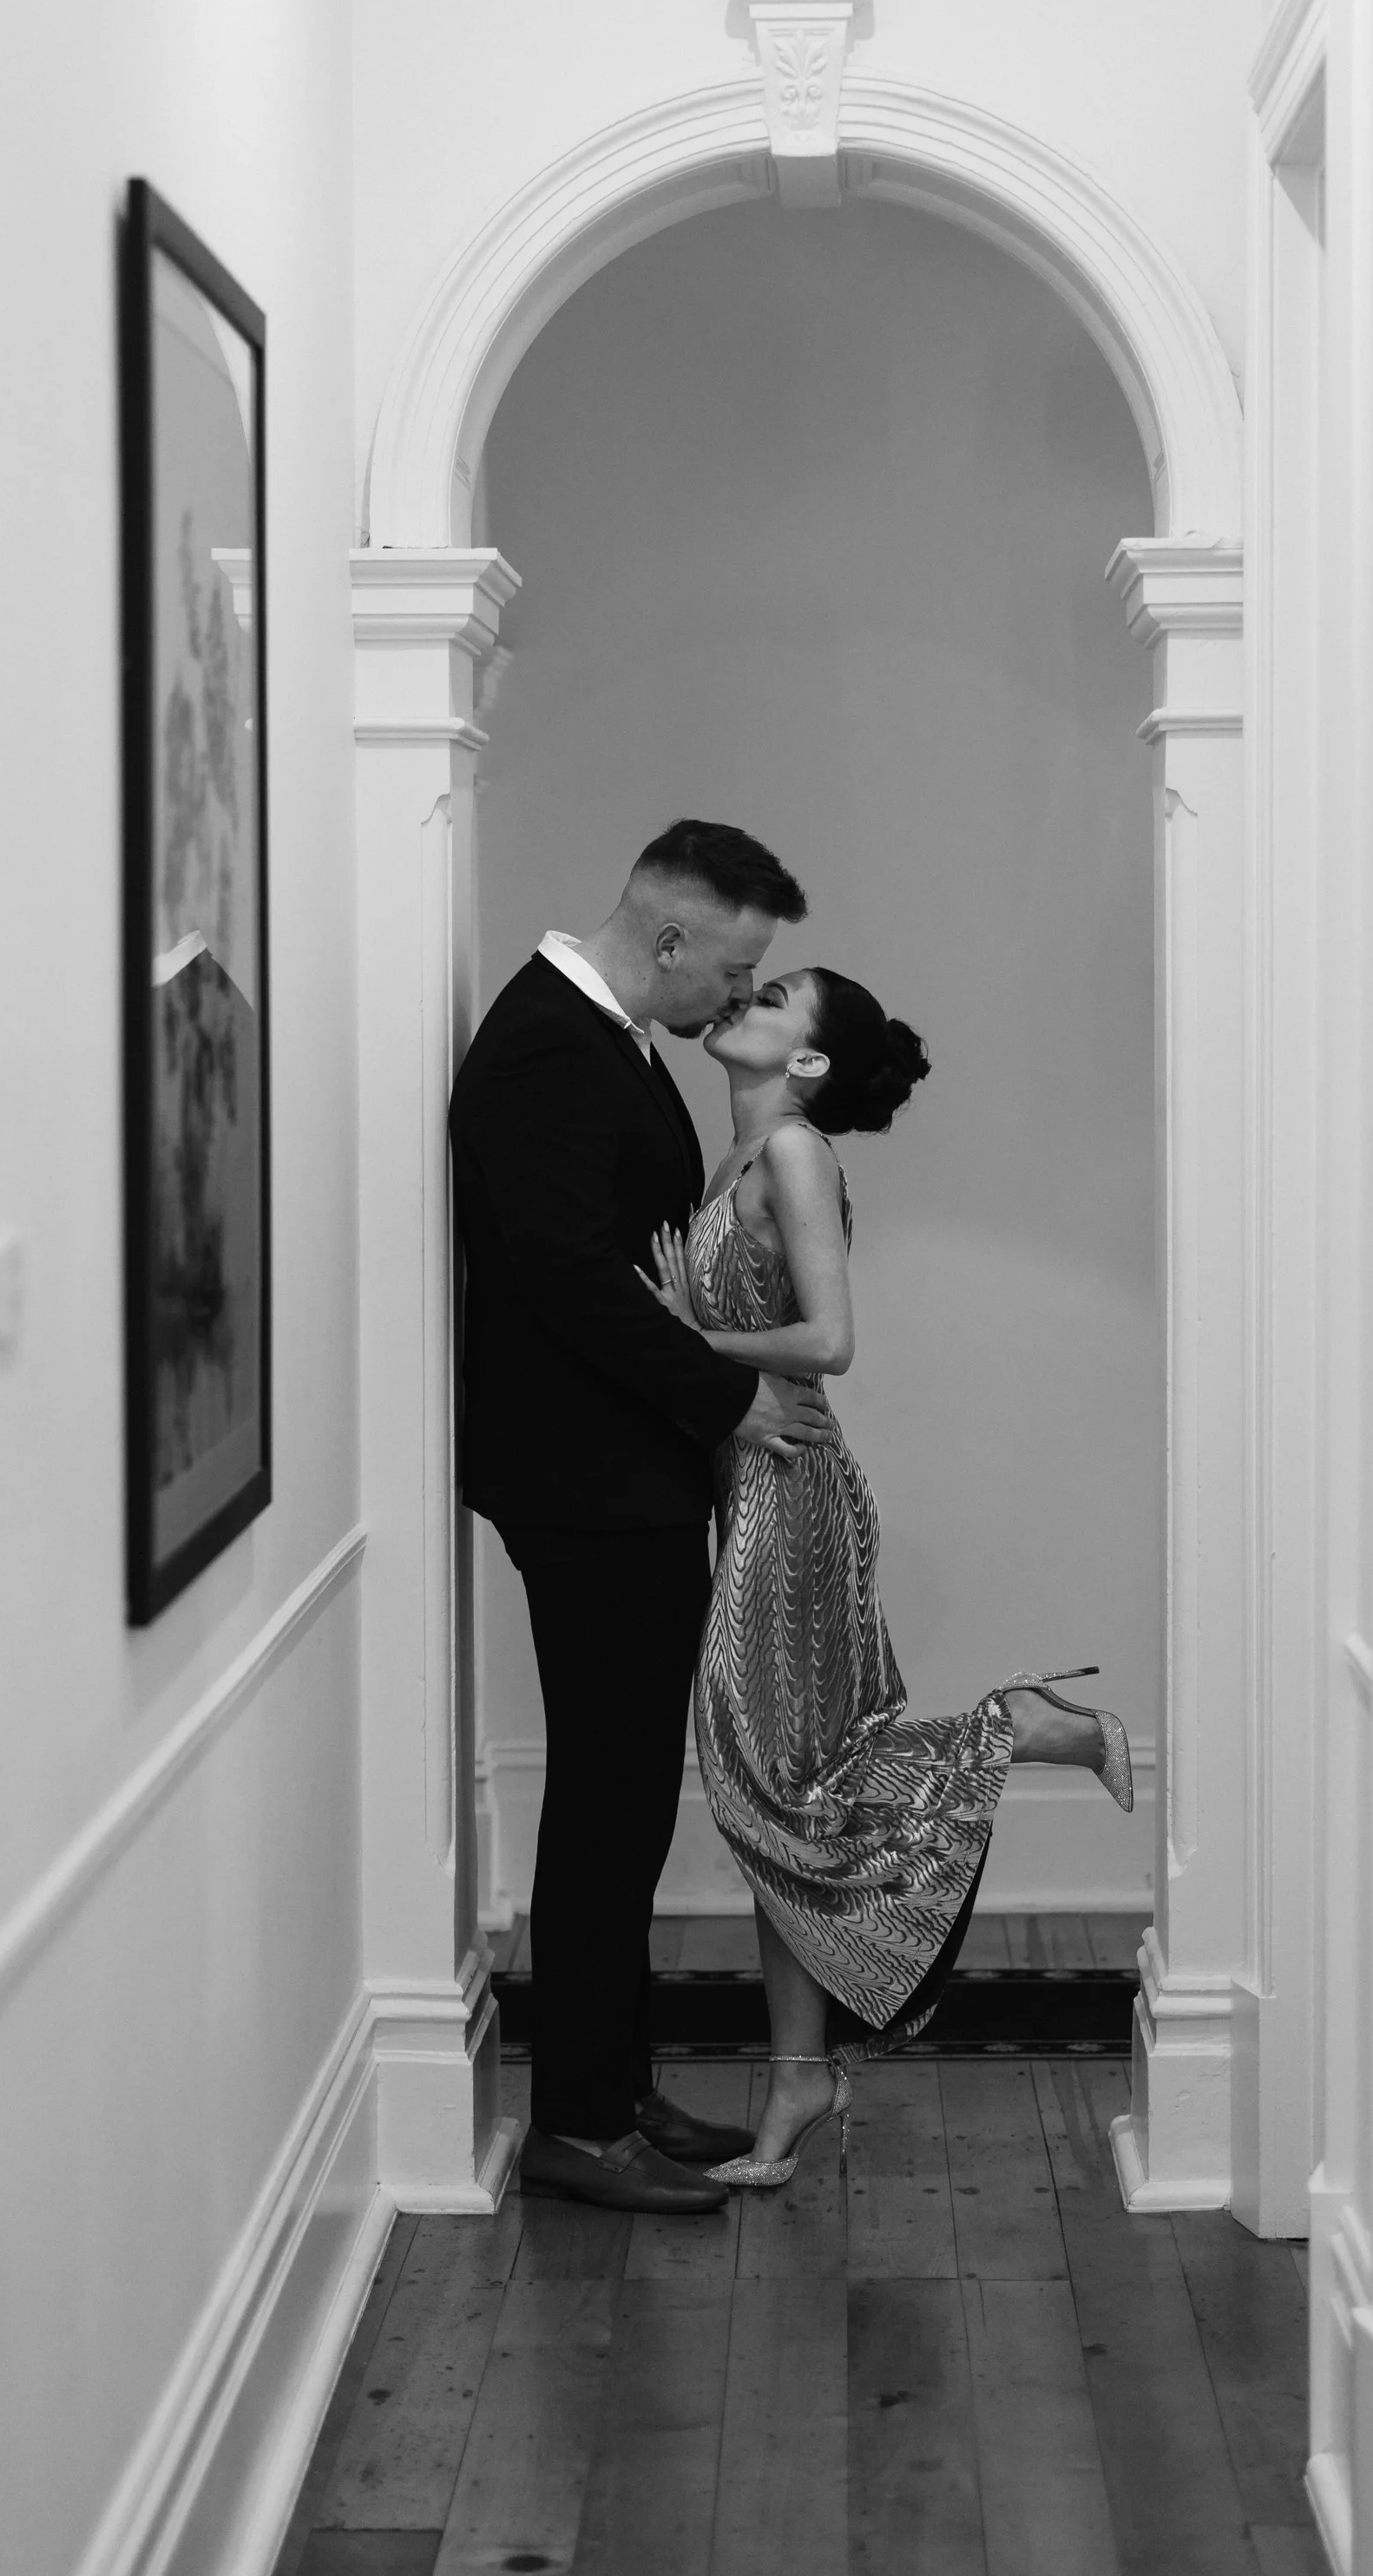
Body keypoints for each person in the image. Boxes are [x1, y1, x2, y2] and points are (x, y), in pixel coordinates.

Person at [641, 963, 1133, 2186]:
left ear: (805, 1062)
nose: (748, 995)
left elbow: (830, 1339)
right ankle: (799, 2078)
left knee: (774, 1783)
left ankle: (1022, 1728)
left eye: (778, 995)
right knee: (782, 1798)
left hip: (791, 1498)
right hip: (747, 1489)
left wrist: (675, 1337)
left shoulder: (796, 1153)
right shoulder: (734, 1162)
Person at [450, 821, 839, 2216]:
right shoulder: (553, 1043)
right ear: (668, 937)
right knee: (606, 1803)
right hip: (587, 1485)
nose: (734, 999)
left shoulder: (607, 1037)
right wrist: (719, 1404)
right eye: (730, 968)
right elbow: (570, 1277)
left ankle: (614, 2089)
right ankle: (578, 2126)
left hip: (623, 1476)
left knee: (624, 1798)